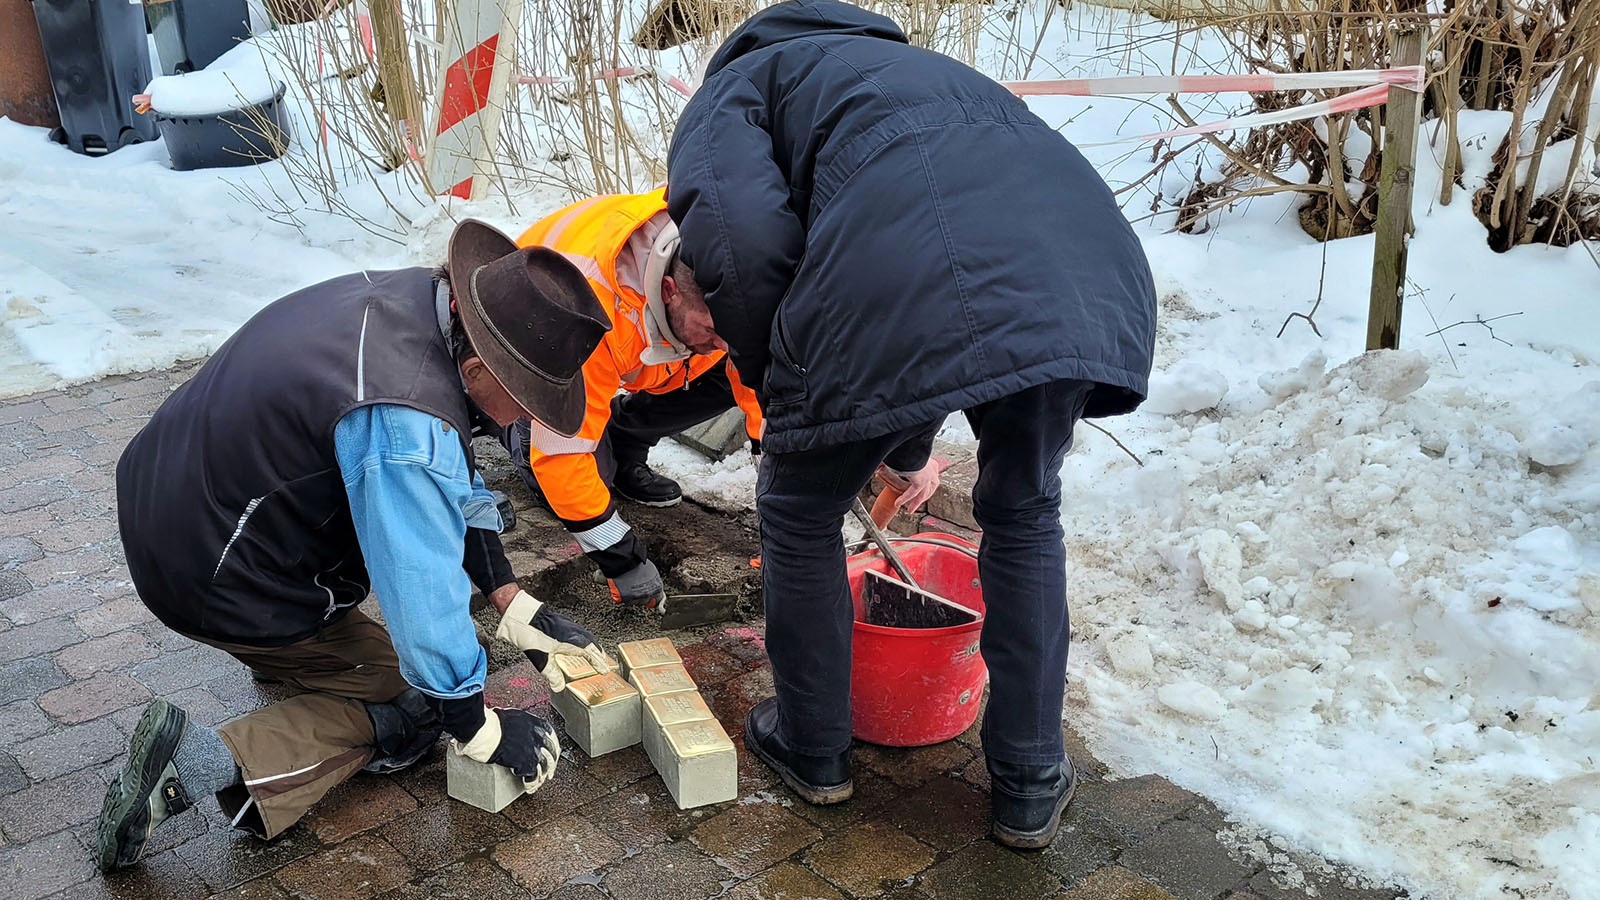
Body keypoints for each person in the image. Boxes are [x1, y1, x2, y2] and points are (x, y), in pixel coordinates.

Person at [666, 0, 1157, 848]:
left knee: (797, 509)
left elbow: (743, 251)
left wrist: (785, 400)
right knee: (1025, 511)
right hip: (1085, 276)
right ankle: (1032, 778)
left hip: (914, 279)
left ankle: (814, 746)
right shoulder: (932, 73)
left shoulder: (737, 85)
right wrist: (905, 445)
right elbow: (953, 280)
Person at [99, 221, 618, 871]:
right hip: (210, 570)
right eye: (525, 400)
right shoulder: (406, 425)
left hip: (173, 499)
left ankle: (288, 652)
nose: (528, 418)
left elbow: (454, 471)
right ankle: (200, 761)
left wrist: (511, 600)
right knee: (417, 702)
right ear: (480, 364)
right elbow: (419, 584)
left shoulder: (420, 307)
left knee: (440, 653)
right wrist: (476, 725)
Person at [499, 188, 763, 608]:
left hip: (643, 348)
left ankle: (625, 438)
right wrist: (621, 559)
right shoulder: (586, 309)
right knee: (580, 482)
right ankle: (518, 427)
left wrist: (777, 487)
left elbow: (757, 384)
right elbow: (561, 458)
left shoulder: (735, 258)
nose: (724, 343)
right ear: (672, 290)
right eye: (711, 329)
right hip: (537, 346)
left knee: (724, 371)